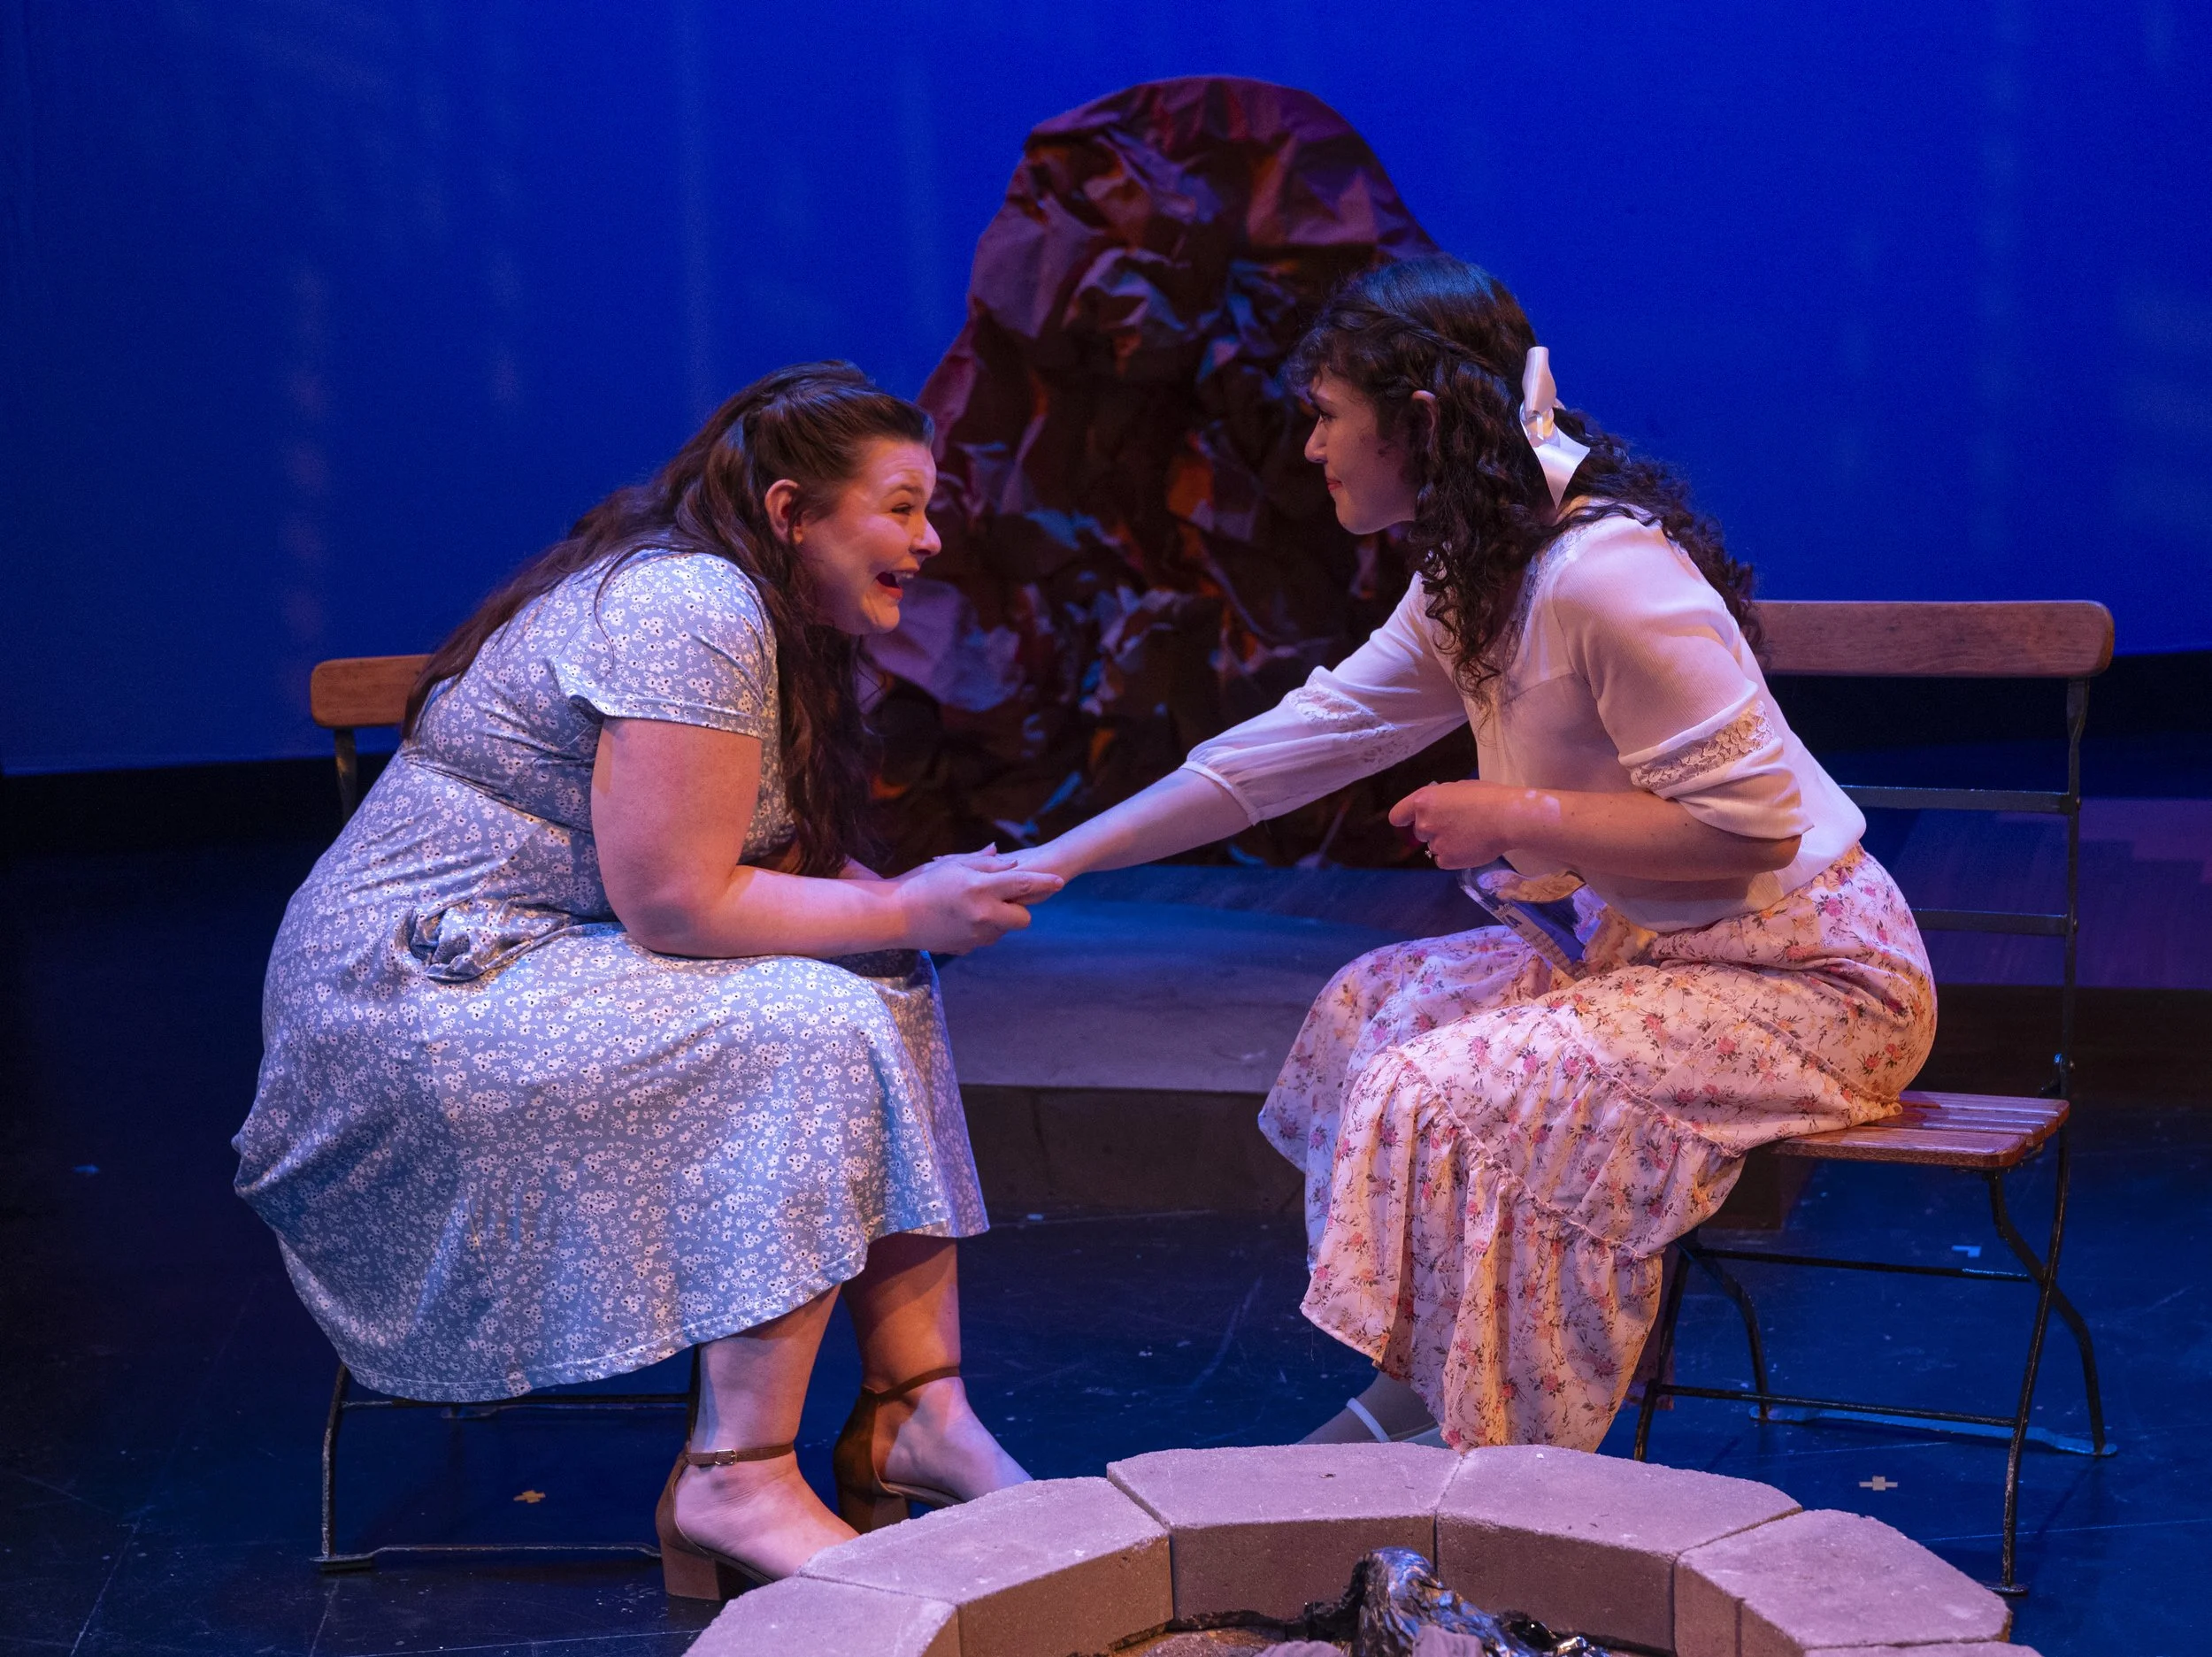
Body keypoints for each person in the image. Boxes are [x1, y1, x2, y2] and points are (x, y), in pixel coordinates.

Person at [1010, 259, 1936, 1453]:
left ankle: (1502, 1460)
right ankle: (1420, 1404)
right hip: (1650, 953)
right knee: (1373, 1008)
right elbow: (1298, 744)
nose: (1311, 448)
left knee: (1450, 1091)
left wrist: (1516, 817)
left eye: (1327, 415)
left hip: (1810, 982)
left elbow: (1755, 830)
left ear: (1419, 420)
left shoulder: (1610, 577)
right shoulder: (1479, 575)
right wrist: (1055, 861)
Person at [234, 363, 1060, 1597]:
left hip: (533, 954)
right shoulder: (690, 602)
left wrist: (912, 910)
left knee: (880, 971)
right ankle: (738, 1475)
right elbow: (675, 903)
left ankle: (916, 1409)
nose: (930, 538)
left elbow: (762, 861)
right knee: (810, 1017)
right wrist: (903, 900)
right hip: (413, 993)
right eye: (901, 507)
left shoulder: (763, 616)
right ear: (792, 513)